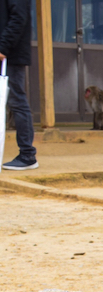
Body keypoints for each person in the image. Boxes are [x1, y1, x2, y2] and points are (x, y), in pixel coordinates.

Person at [0, 0, 38, 170]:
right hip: (6, 54)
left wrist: (3, 48)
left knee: (17, 102)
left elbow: (18, 18)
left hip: (10, 57)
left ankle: (27, 154)